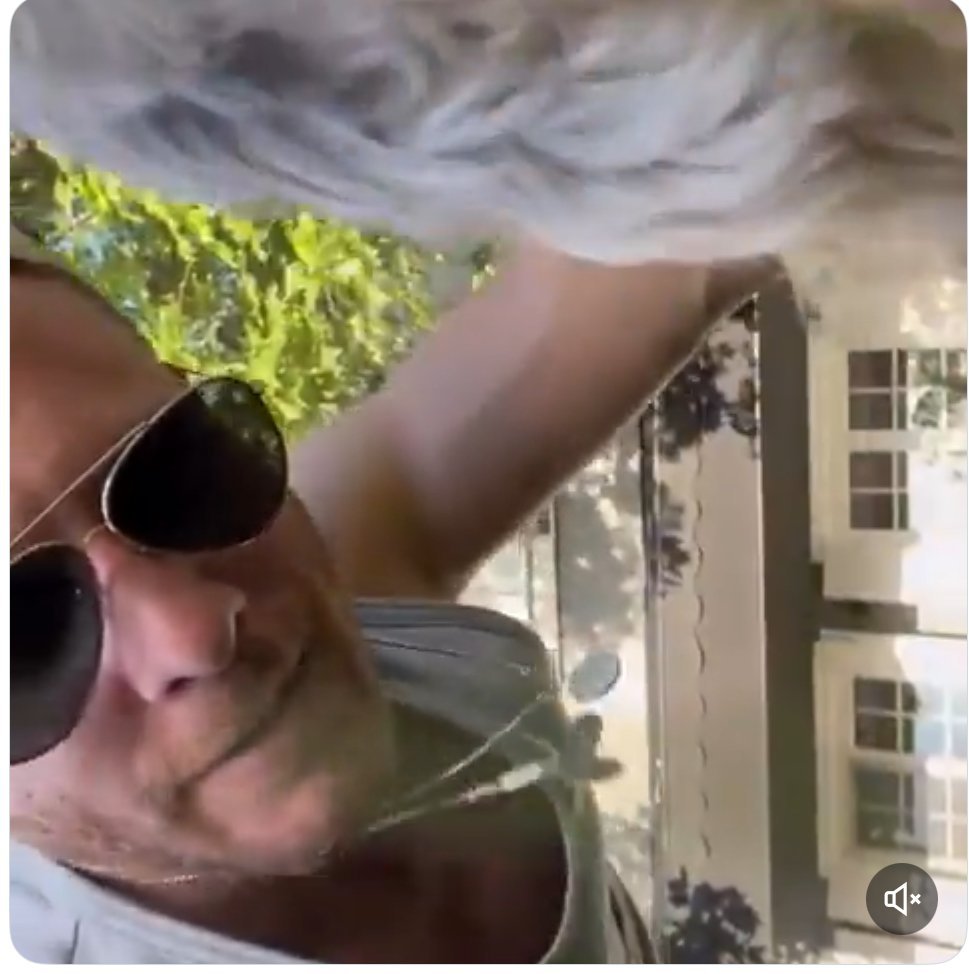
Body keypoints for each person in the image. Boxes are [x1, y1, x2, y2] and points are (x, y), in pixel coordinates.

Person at [9, 223, 775, 963]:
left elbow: (679, 241)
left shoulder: (332, 600)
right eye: (27, 636)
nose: (196, 629)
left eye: (172, 468)